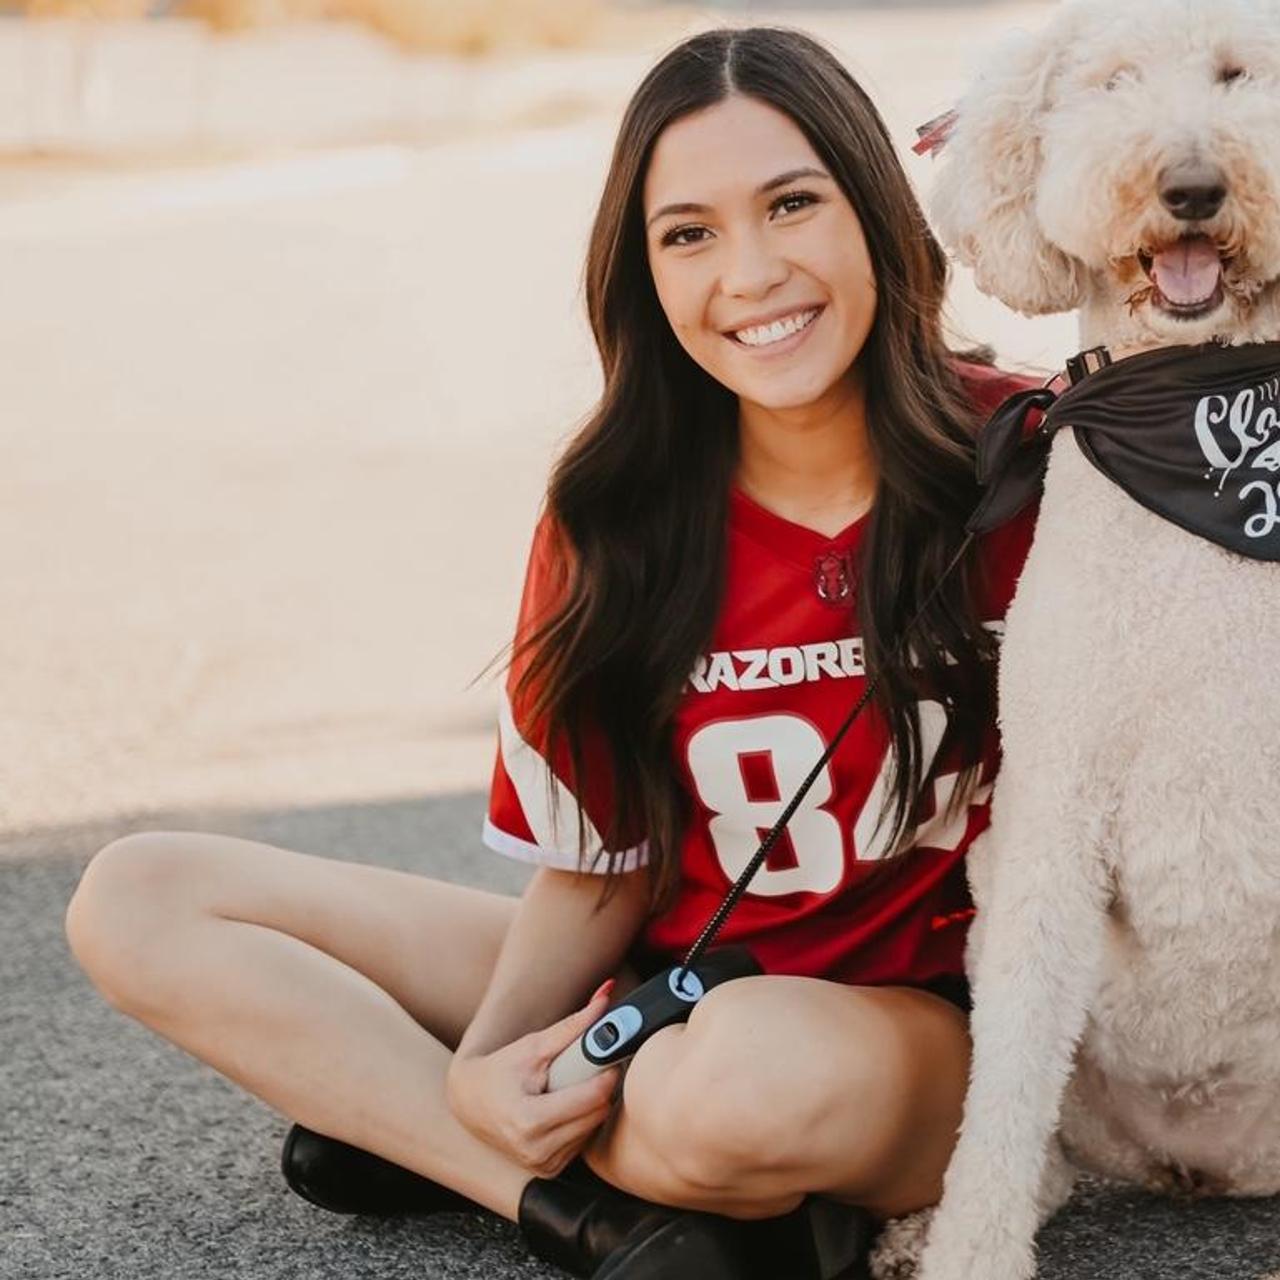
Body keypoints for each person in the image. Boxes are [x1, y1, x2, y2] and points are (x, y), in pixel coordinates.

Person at [63, 25, 1041, 1280]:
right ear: (643, 273)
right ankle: (563, 1198)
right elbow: (596, 872)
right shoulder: (618, 519)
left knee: (726, 1089)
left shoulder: (1025, 461)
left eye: (790, 204)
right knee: (140, 893)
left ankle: (411, 1120)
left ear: (875, 216)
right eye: (688, 232)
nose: (748, 271)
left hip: (905, 1032)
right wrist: (485, 1068)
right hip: (672, 976)